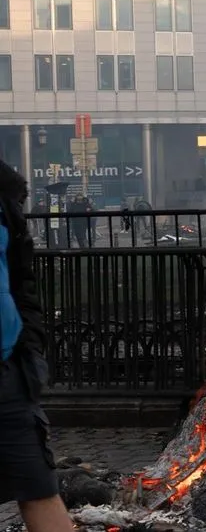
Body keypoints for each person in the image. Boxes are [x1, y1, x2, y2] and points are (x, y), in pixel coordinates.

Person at [0, 160, 71, 532]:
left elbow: (21, 282)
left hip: (10, 373)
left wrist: (30, 348)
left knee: (40, 487)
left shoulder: (5, 206)